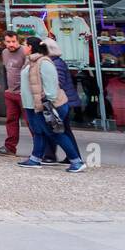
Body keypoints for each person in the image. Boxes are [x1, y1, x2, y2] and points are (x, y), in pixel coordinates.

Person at [17, 36, 85, 172]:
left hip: (44, 106)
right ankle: (35, 158)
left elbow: (51, 88)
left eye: (24, 44)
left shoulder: (44, 62)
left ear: (30, 47)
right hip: (31, 105)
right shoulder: (30, 62)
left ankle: (76, 161)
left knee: (54, 133)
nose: (22, 47)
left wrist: (46, 104)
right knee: (38, 132)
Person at [44, 38, 84, 166]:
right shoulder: (56, 62)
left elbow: (57, 82)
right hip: (65, 100)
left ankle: (51, 156)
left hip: (61, 101)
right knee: (65, 129)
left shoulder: (55, 63)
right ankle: (73, 155)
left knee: (54, 128)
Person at [0, 30, 30, 156]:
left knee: (31, 121)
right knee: (11, 120)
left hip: (24, 92)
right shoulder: (4, 52)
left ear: (18, 41)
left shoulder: (25, 51)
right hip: (11, 92)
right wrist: (6, 88)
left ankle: (42, 149)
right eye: (8, 42)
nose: (11, 44)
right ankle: (10, 147)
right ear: (4, 42)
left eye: (13, 41)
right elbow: (7, 70)